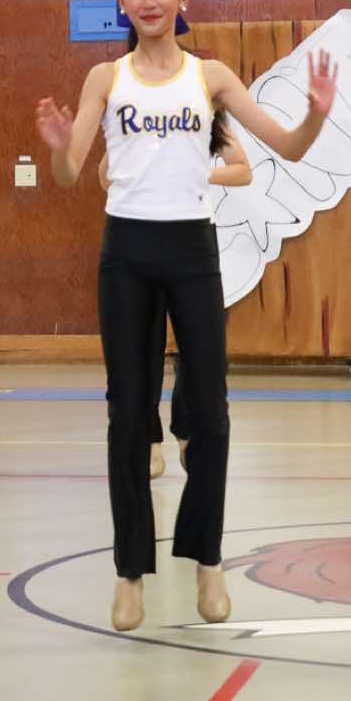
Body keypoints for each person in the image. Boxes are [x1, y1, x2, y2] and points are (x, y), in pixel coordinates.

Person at [35, 0, 336, 633]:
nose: (148, 1)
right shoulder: (104, 78)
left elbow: (288, 147)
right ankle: (129, 572)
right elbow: (69, 173)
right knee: (127, 413)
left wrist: (316, 115)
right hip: (127, 254)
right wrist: (57, 144)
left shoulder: (212, 75)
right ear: (121, 4)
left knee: (210, 411)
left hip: (192, 252)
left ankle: (208, 560)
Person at [101, 118, 252, 480]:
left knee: (200, 349)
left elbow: (242, 170)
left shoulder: (204, 111)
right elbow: (104, 177)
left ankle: (187, 430)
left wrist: (199, 175)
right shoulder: (132, 112)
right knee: (140, 348)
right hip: (138, 234)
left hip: (192, 236)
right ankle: (148, 440)